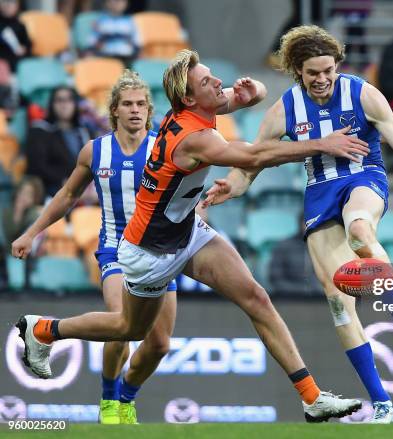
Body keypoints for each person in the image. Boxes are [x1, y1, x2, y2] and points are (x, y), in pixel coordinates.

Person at [14, 49, 370, 423]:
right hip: (147, 251)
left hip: (186, 232)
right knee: (127, 328)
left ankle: (311, 397)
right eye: (207, 81)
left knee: (256, 298)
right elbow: (253, 157)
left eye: (214, 76)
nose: (218, 83)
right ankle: (44, 329)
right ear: (188, 98)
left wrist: (255, 94)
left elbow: (248, 93)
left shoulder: (198, 108)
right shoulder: (190, 139)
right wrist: (321, 144)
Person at [203, 25, 393, 423]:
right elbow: (253, 163)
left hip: (364, 178)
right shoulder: (285, 109)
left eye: (328, 71)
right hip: (319, 192)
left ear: (337, 65)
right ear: (297, 72)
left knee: (360, 230)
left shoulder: (362, 93)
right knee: (338, 301)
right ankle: (382, 404)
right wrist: (230, 187)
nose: (321, 80)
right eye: (312, 73)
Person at [14, 70, 178, 424]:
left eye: (140, 104)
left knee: (160, 344)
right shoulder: (96, 150)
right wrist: (32, 233)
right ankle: (108, 402)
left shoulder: (163, 150)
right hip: (116, 249)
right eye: (127, 104)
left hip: (160, 253)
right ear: (114, 110)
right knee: (121, 325)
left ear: (149, 111)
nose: (134, 110)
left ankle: (126, 397)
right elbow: (68, 195)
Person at [25, 86, 92, 198]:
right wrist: (64, 181)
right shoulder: (40, 130)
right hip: (50, 189)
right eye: (59, 100)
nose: (64, 105)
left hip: (83, 189)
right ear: (52, 104)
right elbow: (37, 166)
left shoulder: (84, 132)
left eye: (69, 100)